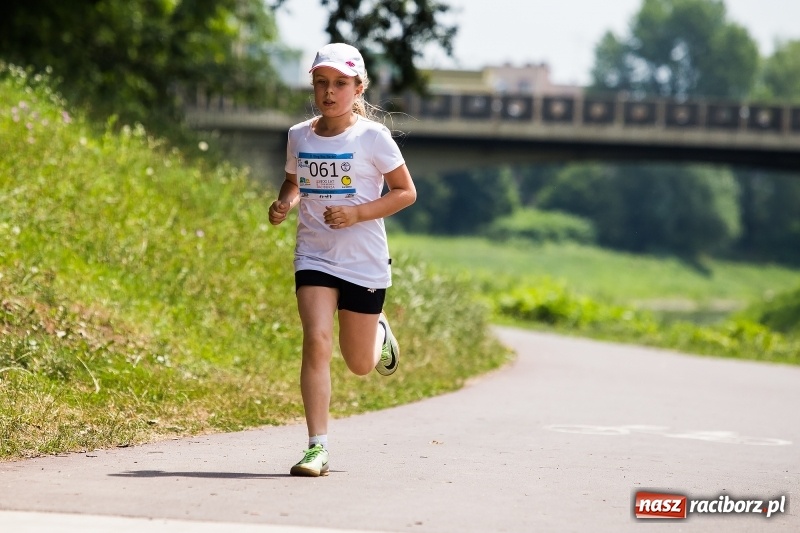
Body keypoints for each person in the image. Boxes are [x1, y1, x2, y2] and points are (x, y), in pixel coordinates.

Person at [268, 43, 417, 477]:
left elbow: (405, 192)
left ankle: (379, 333)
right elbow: (293, 181)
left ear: (358, 87)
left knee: (359, 364)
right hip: (314, 254)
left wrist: (356, 213)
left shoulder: (373, 137)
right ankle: (318, 447)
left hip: (363, 261)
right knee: (315, 340)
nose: (329, 92)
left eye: (339, 84)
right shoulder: (300, 135)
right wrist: (284, 203)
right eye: (321, 83)